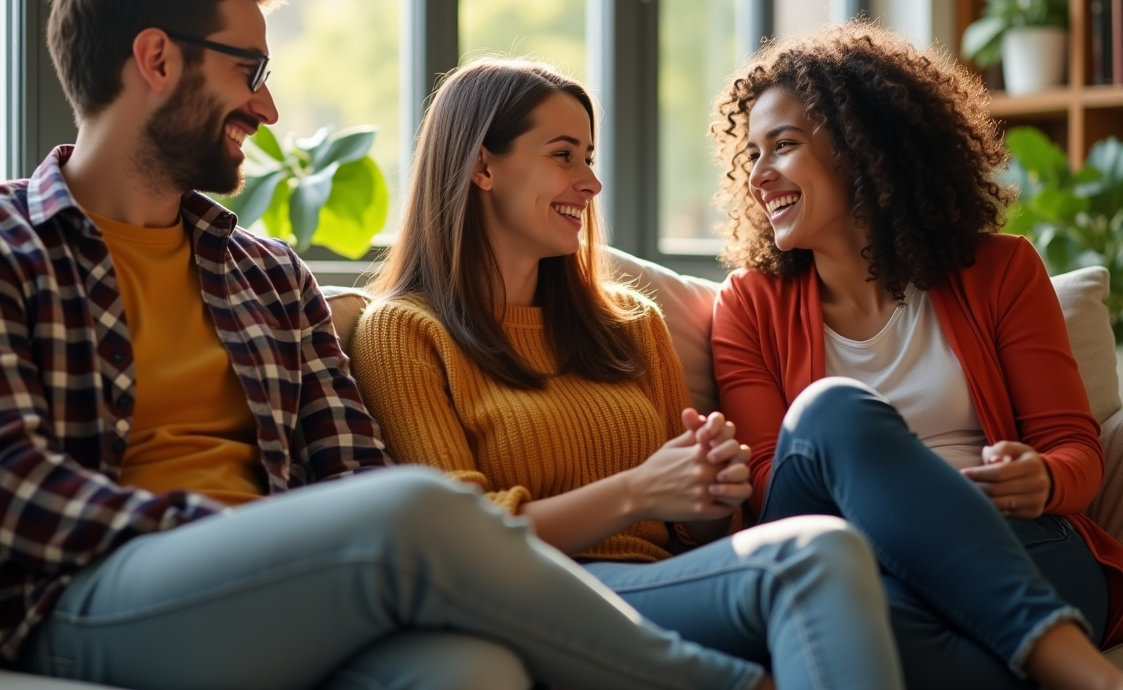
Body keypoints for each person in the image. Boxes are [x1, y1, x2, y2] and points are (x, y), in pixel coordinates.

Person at [0, 0, 799, 690]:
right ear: (156, 59)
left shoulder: (266, 277)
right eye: (249, 69)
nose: (266, 107)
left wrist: (290, 544)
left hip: (277, 592)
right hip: (84, 600)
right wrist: (261, 535)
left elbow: (348, 474)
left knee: (472, 670)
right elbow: (12, 487)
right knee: (415, 509)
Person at [350, 55, 906, 690]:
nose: (591, 183)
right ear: (482, 166)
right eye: (564, 155)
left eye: (589, 157)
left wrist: (709, 489)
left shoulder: (631, 324)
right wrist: (639, 490)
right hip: (544, 597)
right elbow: (457, 545)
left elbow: (694, 535)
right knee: (814, 554)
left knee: (829, 548)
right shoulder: (404, 332)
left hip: (662, 588)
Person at [710, 20, 1123, 690]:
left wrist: (1042, 478)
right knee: (832, 414)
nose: (758, 175)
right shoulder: (750, 306)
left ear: (863, 146)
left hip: (1016, 541)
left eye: (781, 147)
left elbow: (1074, 445)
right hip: (856, 556)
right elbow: (768, 482)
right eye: (751, 154)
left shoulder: (1002, 271)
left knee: (879, 629)